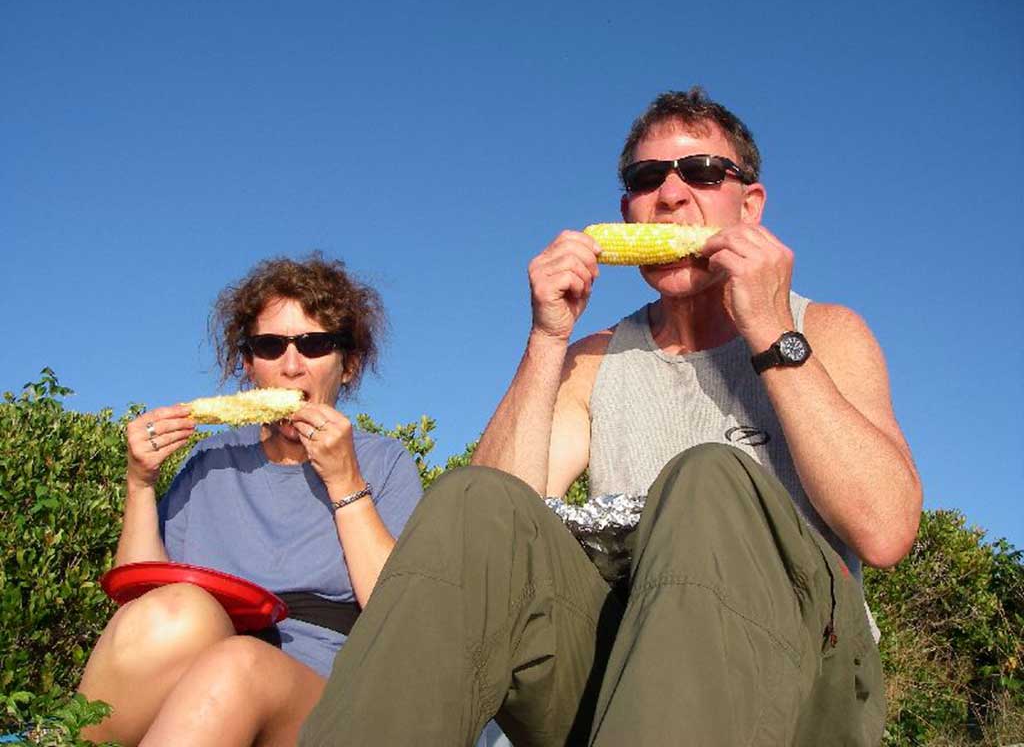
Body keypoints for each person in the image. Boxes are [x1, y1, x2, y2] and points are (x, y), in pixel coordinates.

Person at [300, 89, 922, 746]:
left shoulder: (821, 330)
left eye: (704, 172)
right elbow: (489, 540)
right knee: (468, 499)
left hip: (808, 677)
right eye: (647, 178)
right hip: (620, 675)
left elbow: (883, 532)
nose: (673, 195)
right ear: (627, 205)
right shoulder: (593, 360)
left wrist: (768, 328)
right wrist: (547, 337)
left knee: (710, 482)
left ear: (751, 204)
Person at [78, 253, 423, 746]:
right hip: (196, 689)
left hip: (323, 698)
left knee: (237, 665)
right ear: (248, 366)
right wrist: (140, 484)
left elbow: (400, 615)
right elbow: (141, 612)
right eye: (269, 346)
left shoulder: (385, 462)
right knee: (179, 613)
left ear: (348, 365)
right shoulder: (211, 459)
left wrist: (346, 483)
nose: (291, 366)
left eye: (315, 344)